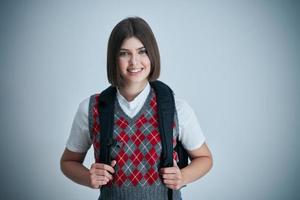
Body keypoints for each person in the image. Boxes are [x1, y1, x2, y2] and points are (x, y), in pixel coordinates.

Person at [60, 16, 213, 200]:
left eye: (142, 51)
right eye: (124, 53)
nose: (134, 62)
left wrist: (183, 177)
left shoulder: (176, 109)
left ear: (152, 54)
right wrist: (88, 177)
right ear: (114, 58)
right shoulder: (92, 109)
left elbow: (205, 158)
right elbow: (68, 162)